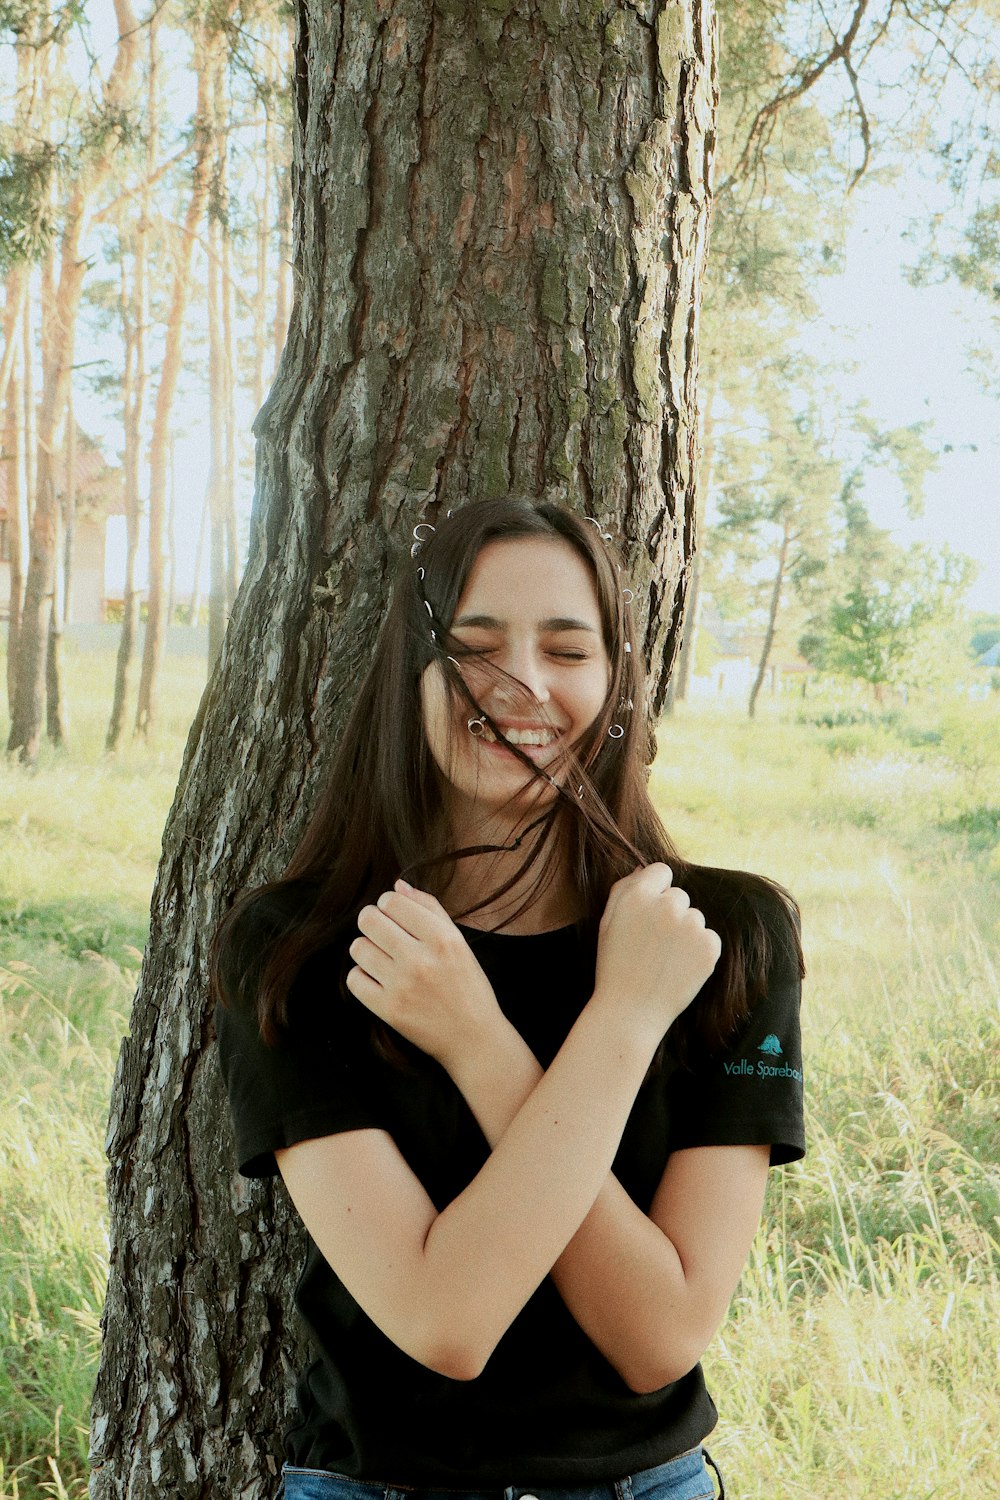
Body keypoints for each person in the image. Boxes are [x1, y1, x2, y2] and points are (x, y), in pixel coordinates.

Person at [212, 496, 806, 1500]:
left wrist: (526, 1031)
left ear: (619, 683)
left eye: (568, 650)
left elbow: (659, 1336)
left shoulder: (717, 939)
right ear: (412, 679)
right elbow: (449, 1321)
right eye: (474, 644)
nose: (523, 682)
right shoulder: (310, 949)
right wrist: (589, 1027)